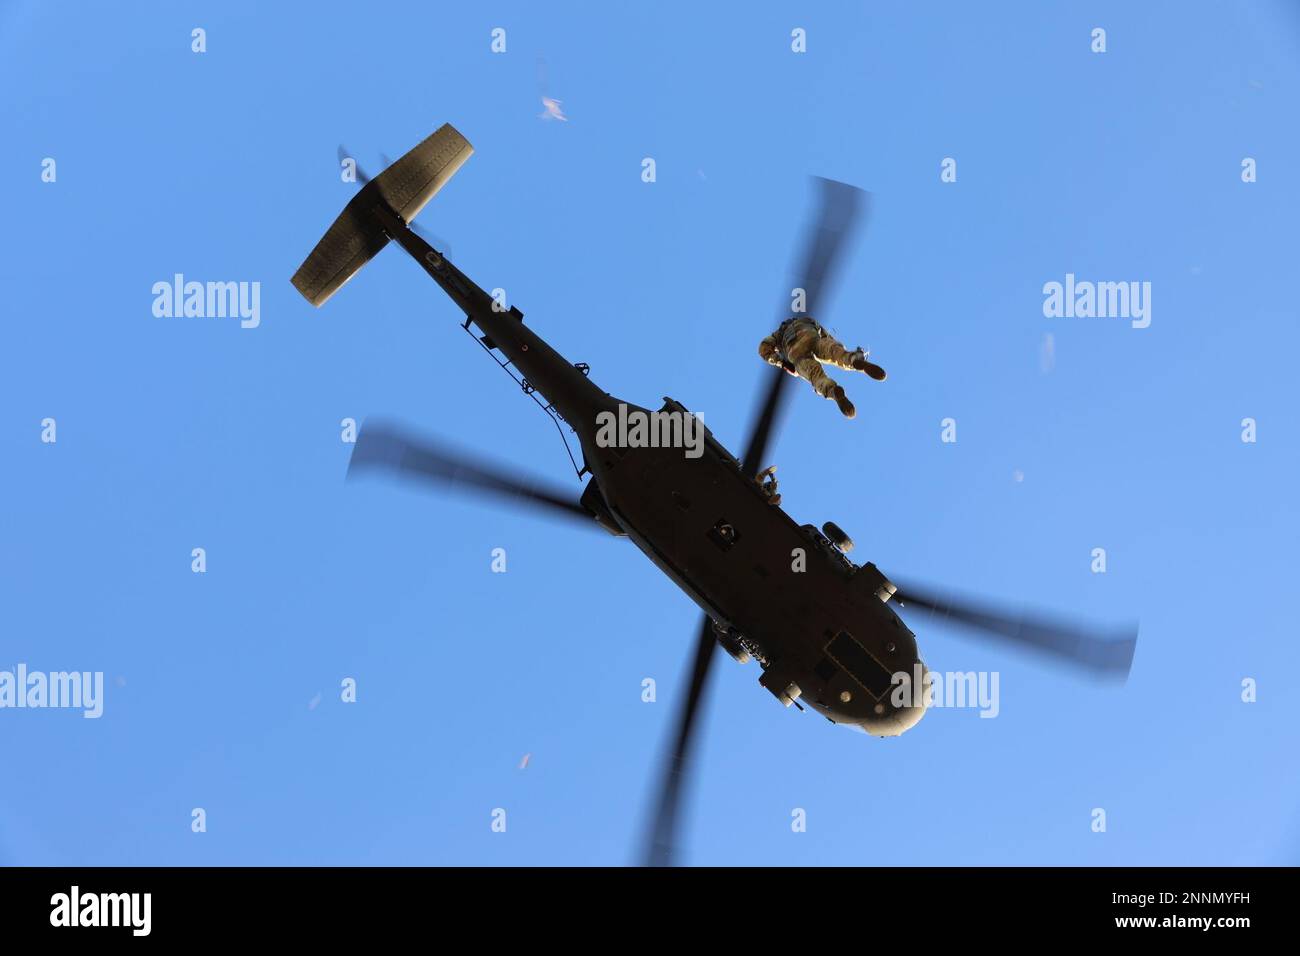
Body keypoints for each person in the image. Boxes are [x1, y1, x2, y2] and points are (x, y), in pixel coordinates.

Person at [758, 316, 886, 419]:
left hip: (794, 353)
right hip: (810, 335)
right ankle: (854, 360)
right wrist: (838, 349)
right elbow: (827, 338)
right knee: (833, 352)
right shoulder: (806, 319)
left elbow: (763, 348)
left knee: (816, 377)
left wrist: (781, 363)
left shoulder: (777, 335)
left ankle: (833, 391)